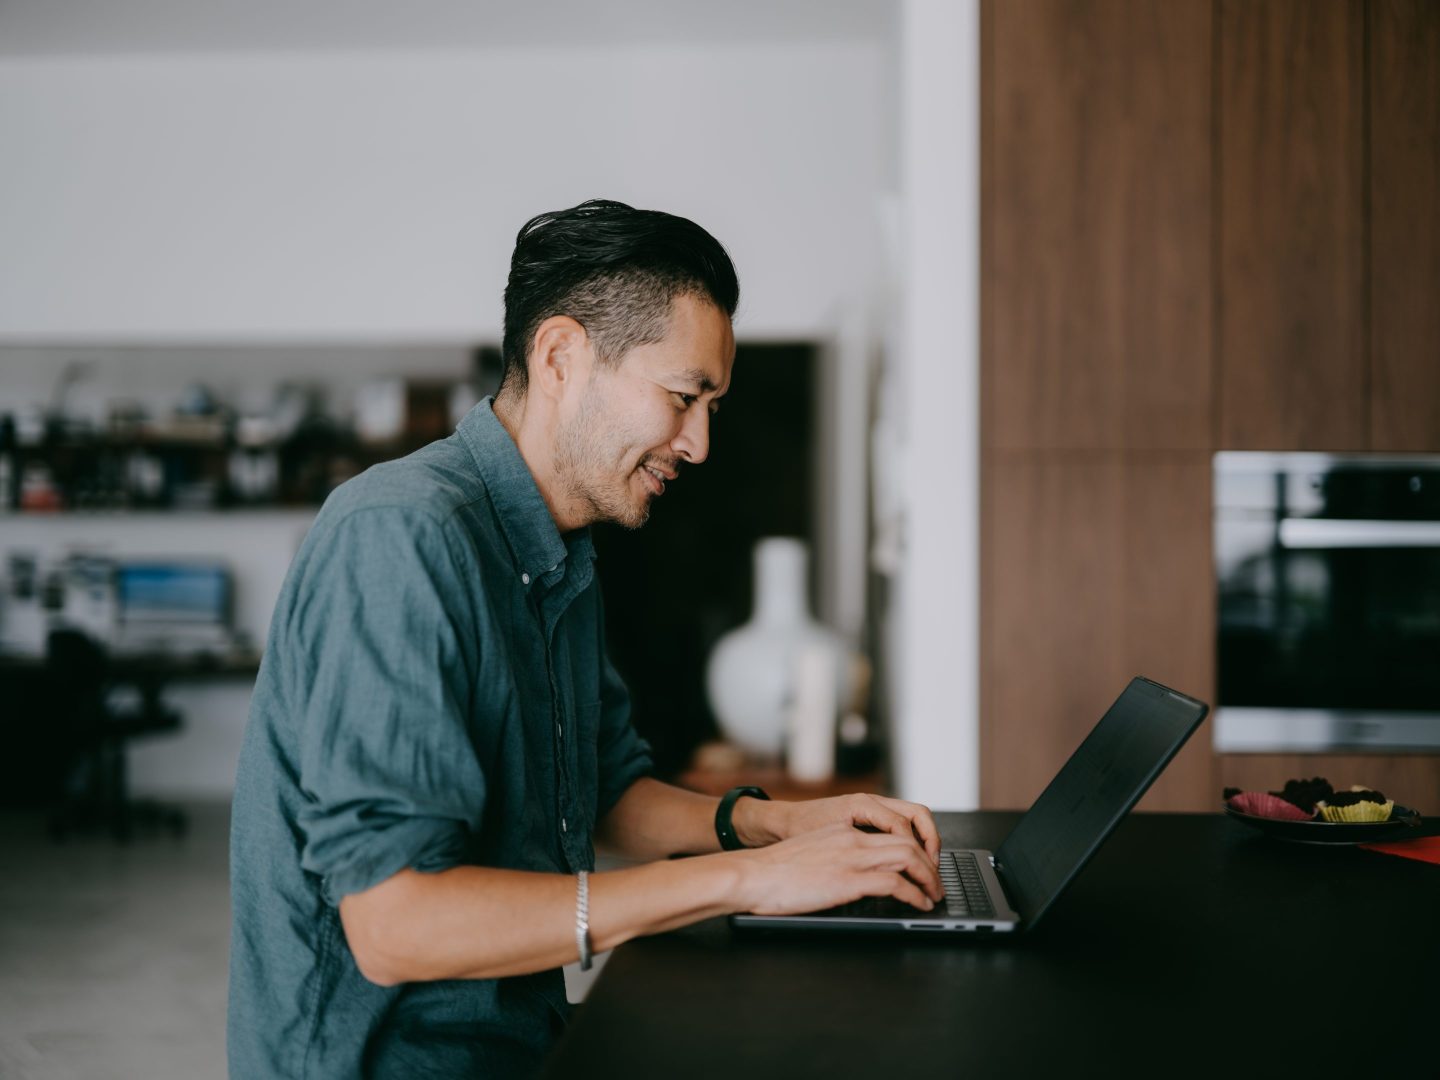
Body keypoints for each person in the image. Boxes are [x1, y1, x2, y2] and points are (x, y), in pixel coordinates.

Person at [227, 199, 944, 1077]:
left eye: (711, 404)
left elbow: (603, 790)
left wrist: (782, 826)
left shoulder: (559, 546)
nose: (701, 443)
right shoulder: (401, 538)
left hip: (518, 1040)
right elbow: (393, 924)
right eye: (684, 397)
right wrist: (752, 882)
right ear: (562, 356)